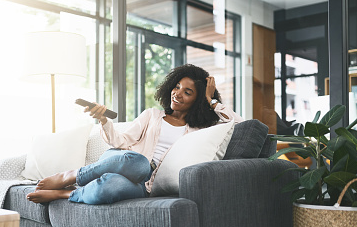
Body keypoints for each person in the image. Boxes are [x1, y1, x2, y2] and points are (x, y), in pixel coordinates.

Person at [26, 64, 243, 204]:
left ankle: (66, 194)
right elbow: (119, 141)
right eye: (177, 87)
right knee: (138, 163)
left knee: (110, 186)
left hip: (146, 185)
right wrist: (103, 119)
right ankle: (71, 175)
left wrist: (211, 100)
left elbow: (238, 124)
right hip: (126, 162)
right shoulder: (152, 116)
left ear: (197, 100)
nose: (177, 94)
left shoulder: (200, 130)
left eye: (188, 92)